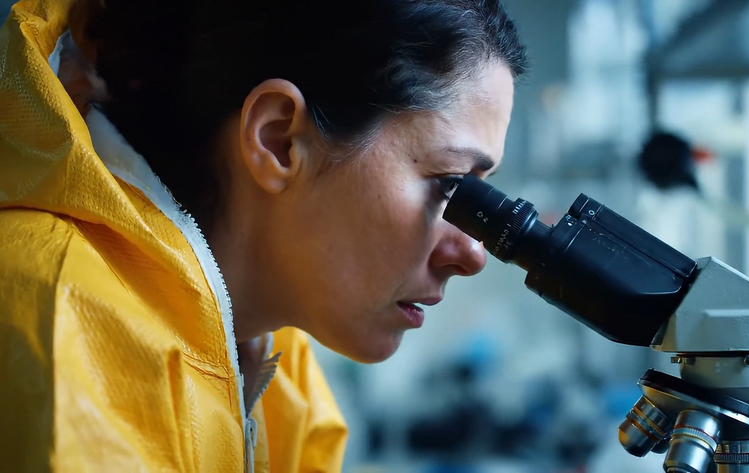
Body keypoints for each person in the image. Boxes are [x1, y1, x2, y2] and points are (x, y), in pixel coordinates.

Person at [0, 0, 527, 471]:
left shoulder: (271, 361)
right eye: (451, 186)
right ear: (279, 141)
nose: (473, 254)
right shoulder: (57, 323)